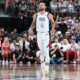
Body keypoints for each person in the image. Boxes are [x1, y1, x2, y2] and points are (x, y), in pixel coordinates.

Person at [28, 2, 55, 76]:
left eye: (42, 5)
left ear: (45, 7)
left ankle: (47, 68)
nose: (40, 6)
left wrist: (52, 29)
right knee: (42, 50)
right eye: (39, 5)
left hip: (46, 34)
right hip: (39, 34)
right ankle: (42, 64)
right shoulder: (35, 15)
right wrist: (30, 29)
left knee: (46, 50)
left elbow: (53, 23)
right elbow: (33, 24)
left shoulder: (49, 15)